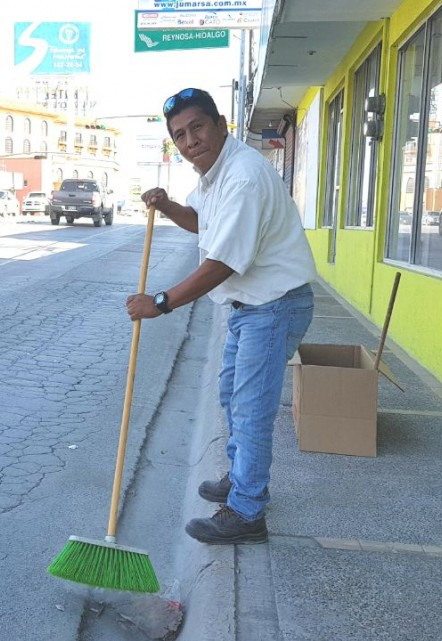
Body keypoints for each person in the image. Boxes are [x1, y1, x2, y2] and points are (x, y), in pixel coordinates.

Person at [127, 88, 317, 545]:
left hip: (273, 306)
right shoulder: (215, 173)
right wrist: (169, 205)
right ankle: (241, 479)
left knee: (251, 410)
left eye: (197, 127)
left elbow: (221, 263)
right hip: (250, 307)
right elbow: (203, 221)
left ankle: (248, 512)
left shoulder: (244, 177)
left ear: (220, 125)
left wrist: (160, 302)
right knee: (233, 397)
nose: (190, 140)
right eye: (180, 135)